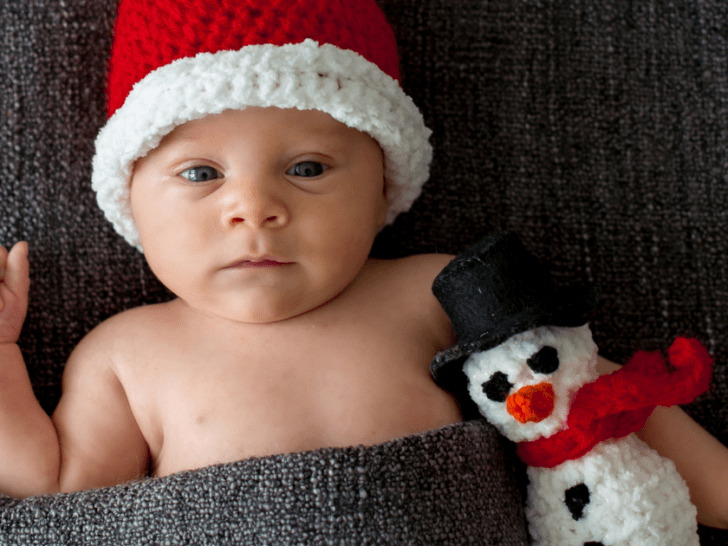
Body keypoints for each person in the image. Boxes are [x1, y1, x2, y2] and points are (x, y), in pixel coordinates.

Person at [0, 0, 726, 532]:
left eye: (308, 167)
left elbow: (596, 406)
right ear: (129, 199)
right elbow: (58, 492)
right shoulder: (127, 354)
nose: (252, 208)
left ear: (383, 187)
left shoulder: (435, 293)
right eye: (199, 175)